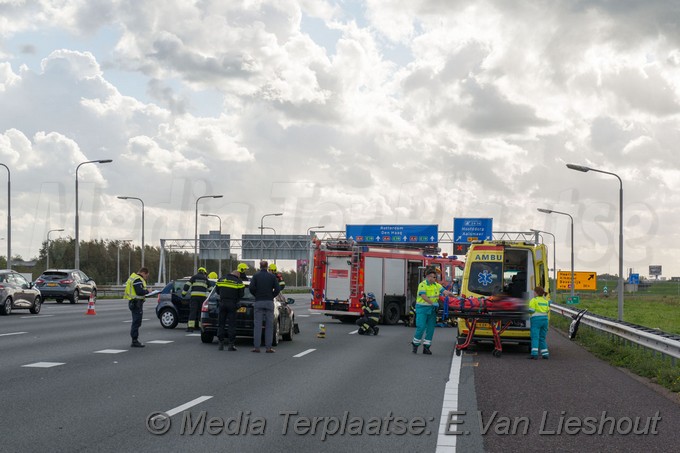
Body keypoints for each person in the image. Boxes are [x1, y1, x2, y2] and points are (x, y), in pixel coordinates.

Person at [412, 268, 454, 355]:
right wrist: (433, 303)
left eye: (435, 277)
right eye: (433, 277)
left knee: (430, 329)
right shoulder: (422, 285)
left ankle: (426, 348)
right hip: (422, 309)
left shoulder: (436, 285)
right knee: (421, 327)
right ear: (428, 277)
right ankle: (415, 345)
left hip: (432, 310)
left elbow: (444, 291)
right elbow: (423, 296)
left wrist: (453, 296)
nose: (434, 278)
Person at [249, 260, 280, 353]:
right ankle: (268, 348)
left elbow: (251, 288)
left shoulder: (256, 276)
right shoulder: (272, 276)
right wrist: (271, 295)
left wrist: (256, 295)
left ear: (260, 266)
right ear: (267, 267)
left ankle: (256, 347)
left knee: (257, 325)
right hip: (269, 302)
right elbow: (278, 289)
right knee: (269, 326)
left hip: (258, 301)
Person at [216, 267, 245, 351]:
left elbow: (217, 291)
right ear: (238, 276)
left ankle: (220, 344)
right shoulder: (238, 281)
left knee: (221, 324)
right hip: (232, 304)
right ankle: (231, 345)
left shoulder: (221, 279)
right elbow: (241, 294)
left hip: (222, 303)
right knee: (231, 325)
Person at [124, 267, 151, 348]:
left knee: (136, 322)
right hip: (136, 303)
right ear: (144, 273)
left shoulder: (134, 277)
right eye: (146, 276)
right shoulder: (137, 279)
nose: (146, 278)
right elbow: (139, 292)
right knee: (136, 322)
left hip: (135, 302)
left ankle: (134, 340)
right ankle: (134, 341)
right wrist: (148, 291)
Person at [182, 267, 209, 332]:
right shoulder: (206, 279)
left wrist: (183, 294)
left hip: (194, 298)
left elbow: (186, 285)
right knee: (200, 312)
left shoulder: (194, 277)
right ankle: (200, 327)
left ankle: (191, 328)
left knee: (193, 312)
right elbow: (211, 289)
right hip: (202, 298)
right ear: (204, 272)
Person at [528, 286, 551, 360]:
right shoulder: (545, 301)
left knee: (535, 337)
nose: (533, 293)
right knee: (542, 338)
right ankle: (545, 354)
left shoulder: (533, 300)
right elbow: (547, 311)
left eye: (534, 292)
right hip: (545, 320)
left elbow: (531, 310)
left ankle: (534, 354)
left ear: (536, 293)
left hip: (536, 320)